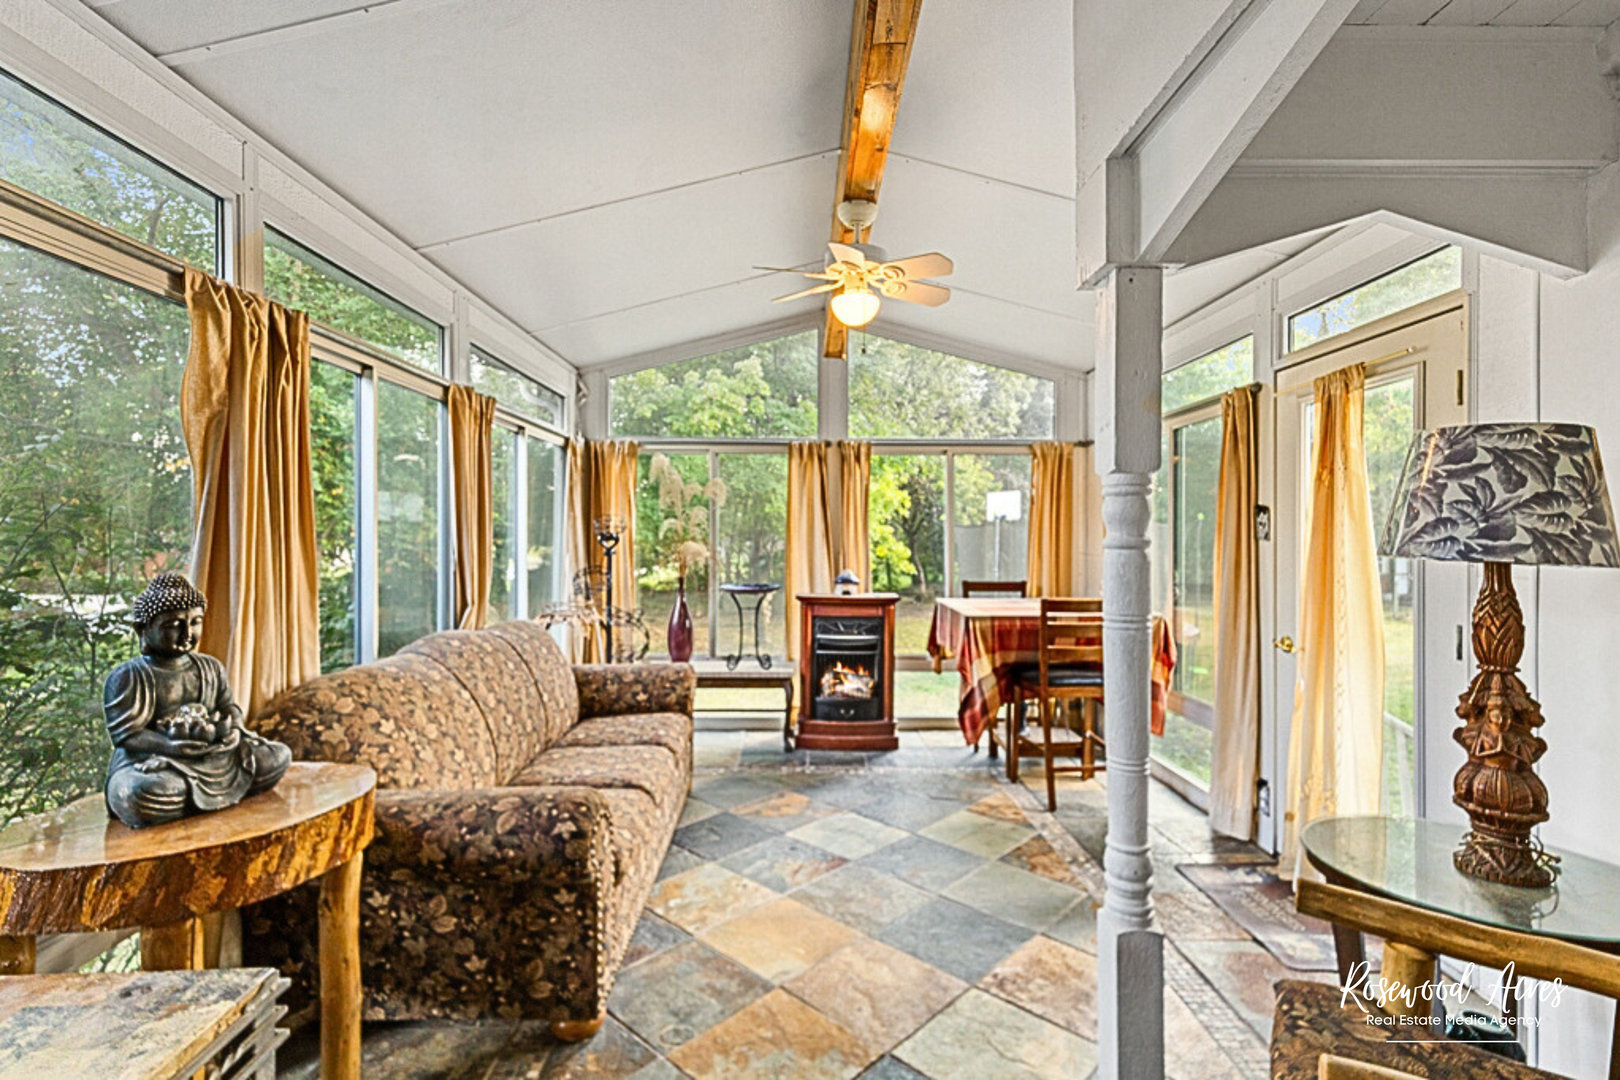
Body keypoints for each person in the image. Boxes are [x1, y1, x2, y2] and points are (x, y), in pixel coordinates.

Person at [103, 573, 291, 828]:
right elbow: (127, 737)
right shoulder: (130, 676)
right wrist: (172, 748)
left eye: (195, 622)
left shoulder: (209, 667)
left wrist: (234, 731)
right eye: (173, 625)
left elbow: (229, 709)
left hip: (214, 755)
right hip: (153, 762)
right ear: (143, 628)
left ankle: (195, 800)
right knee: (139, 793)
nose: (187, 634)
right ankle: (180, 799)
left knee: (277, 756)